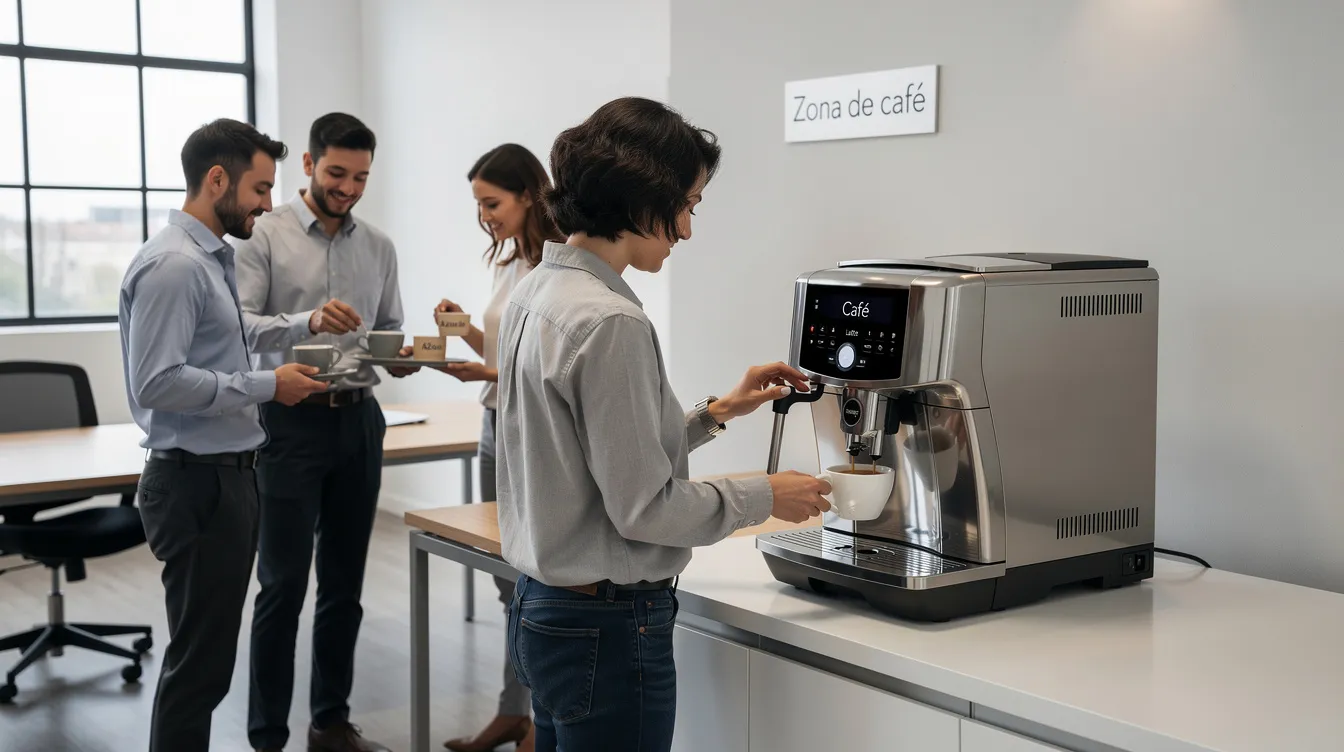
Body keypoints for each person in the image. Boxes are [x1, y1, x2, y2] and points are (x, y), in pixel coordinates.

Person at [494, 96, 832, 751]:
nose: (687, 230)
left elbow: (589, 457)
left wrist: (716, 413)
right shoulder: (612, 321)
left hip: (544, 608)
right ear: (642, 196)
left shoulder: (537, 292)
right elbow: (643, 509)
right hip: (608, 624)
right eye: (688, 205)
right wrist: (766, 495)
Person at [118, 118, 330, 752]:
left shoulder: (208, 259)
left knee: (205, 666)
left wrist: (303, 323)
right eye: (260, 189)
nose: (267, 205)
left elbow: (226, 338)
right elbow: (157, 382)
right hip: (196, 483)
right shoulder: (175, 266)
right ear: (217, 180)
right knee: (199, 670)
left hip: (222, 478)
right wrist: (268, 386)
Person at [234, 112, 406, 752]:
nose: (349, 188)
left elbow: (389, 329)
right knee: (281, 587)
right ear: (308, 165)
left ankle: (330, 724)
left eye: (361, 177)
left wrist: (405, 355)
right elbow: (239, 326)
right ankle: (267, 737)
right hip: (287, 423)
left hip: (359, 420)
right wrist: (306, 320)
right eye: (337, 173)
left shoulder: (379, 246)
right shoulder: (263, 234)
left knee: (344, 587)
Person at [434, 143, 563, 752]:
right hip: (494, 423)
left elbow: (539, 363)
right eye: (479, 205)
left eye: (492, 203)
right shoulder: (509, 260)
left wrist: (486, 373)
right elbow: (501, 352)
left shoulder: (556, 266)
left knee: (529, 575)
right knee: (505, 578)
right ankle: (515, 712)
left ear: (529, 195)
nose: (484, 216)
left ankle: (536, 717)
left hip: (525, 427)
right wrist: (463, 328)